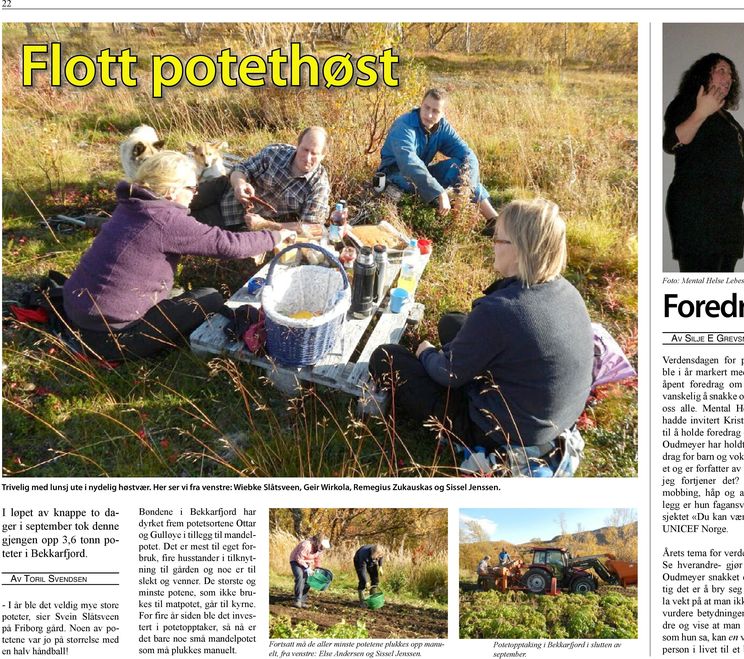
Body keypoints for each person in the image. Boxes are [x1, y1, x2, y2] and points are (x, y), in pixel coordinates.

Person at [368, 199, 593, 467]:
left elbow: (447, 374)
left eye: (498, 239)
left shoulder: (501, 311)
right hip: (550, 414)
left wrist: (426, 353)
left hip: (500, 432)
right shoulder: (566, 290)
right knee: (451, 322)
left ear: (520, 250)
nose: (492, 244)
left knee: (385, 357)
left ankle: (461, 434)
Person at [62, 151, 295, 361]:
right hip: (110, 339)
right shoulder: (165, 220)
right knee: (210, 297)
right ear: (172, 190)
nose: (194, 195)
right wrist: (277, 235)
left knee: (180, 295)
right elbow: (227, 245)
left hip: (74, 313)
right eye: (192, 188)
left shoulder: (132, 205)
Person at [663, 53, 744, 272]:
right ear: (705, 75)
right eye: (721, 70)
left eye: (731, 74)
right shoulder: (688, 102)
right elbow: (672, 142)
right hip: (699, 208)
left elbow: (742, 167)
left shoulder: (729, 120)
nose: (728, 77)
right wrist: (700, 112)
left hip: (729, 214)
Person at [377, 88, 498, 227]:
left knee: (459, 165)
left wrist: (465, 191)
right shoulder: (404, 125)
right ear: (421, 105)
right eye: (426, 107)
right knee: (429, 183)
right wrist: (439, 191)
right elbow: (409, 163)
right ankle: (446, 224)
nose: (429, 115)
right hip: (395, 175)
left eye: (435, 111)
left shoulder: (442, 127)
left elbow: (467, 154)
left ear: (443, 114)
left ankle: (493, 221)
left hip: (422, 173)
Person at [190, 126, 333, 231]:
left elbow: (311, 227)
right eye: (304, 149)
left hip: (238, 219)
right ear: (298, 145)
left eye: (314, 153)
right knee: (177, 202)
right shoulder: (275, 153)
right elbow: (240, 168)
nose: (307, 158)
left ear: (323, 155)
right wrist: (239, 184)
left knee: (183, 224)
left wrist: (266, 224)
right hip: (221, 188)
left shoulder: (319, 186)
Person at [289, 535, 331, 609]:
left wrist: (317, 568)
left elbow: (317, 559)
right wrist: (307, 568)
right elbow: (299, 558)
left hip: (307, 563)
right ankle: (297, 600)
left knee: (308, 579)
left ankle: (303, 601)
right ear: (319, 543)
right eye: (322, 547)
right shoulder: (306, 545)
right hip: (295, 561)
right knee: (300, 577)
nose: (323, 549)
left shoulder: (319, 549)